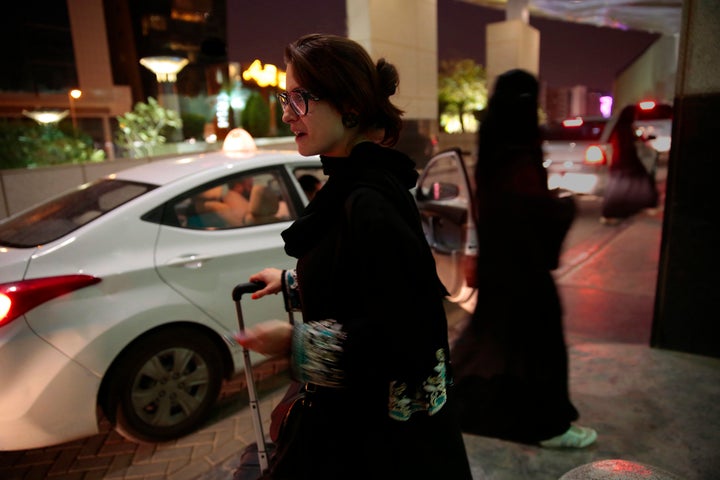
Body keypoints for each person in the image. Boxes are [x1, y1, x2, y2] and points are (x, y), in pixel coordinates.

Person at [235, 33, 473, 480]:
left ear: (349, 106)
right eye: (286, 97)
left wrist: (294, 343)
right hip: (365, 427)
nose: (287, 113)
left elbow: (407, 337)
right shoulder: (357, 182)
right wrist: (292, 281)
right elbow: (367, 282)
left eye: (300, 98)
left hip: (381, 444)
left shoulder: (369, 199)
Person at [451, 69, 597, 449]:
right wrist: (564, 207)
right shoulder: (520, 151)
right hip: (525, 268)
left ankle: (459, 405)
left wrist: (477, 255)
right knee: (540, 342)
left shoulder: (494, 141)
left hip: (500, 266)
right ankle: (547, 426)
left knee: (494, 337)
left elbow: (487, 207)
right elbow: (530, 211)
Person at [600, 104, 659, 223]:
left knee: (621, 187)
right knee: (631, 185)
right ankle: (618, 212)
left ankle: (617, 212)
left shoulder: (619, 127)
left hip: (622, 161)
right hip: (625, 161)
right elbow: (629, 145)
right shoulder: (624, 128)